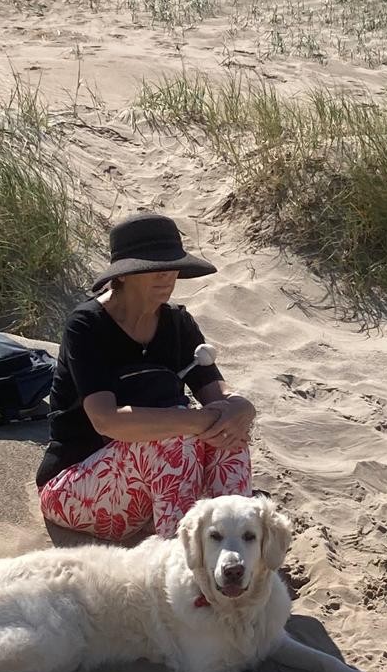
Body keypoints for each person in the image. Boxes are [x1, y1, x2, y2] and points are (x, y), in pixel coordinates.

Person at [36, 212, 256, 541]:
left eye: (172, 265)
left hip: (156, 491)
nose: (166, 276)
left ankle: (236, 549)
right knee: (174, 437)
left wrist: (242, 410)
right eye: (153, 267)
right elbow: (106, 421)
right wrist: (194, 422)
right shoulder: (87, 326)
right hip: (76, 485)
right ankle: (182, 564)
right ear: (124, 275)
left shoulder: (178, 324)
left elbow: (220, 395)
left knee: (230, 436)